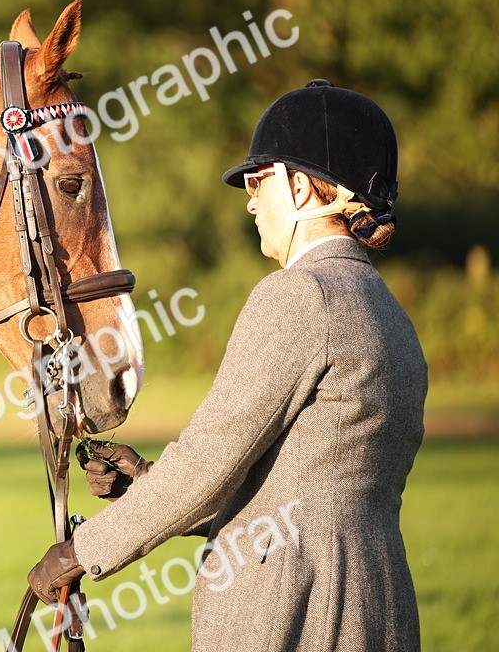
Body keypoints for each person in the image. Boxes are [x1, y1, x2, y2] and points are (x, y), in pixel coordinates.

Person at [28, 79, 428, 651]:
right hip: (380, 606)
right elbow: (299, 490)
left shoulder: (298, 295)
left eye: (259, 182)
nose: (250, 201)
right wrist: (143, 480)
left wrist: (81, 552)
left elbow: (208, 460)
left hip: (291, 610)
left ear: (300, 187)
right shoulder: (390, 313)